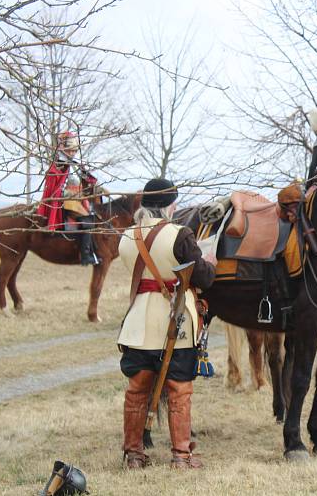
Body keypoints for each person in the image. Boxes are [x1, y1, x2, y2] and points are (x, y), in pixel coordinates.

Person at [117, 178, 216, 469]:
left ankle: (134, 455)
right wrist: (208, 261)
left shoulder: (127, 236)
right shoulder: (180, 234)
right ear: (170, 205)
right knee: (179, 390)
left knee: (136, 390)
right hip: (176, 323)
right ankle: (181, 456)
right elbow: (204, 278)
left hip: (138, 322)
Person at [36, 131, 100, 266]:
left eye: (73, 150)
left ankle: (93, 251)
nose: (72, 153)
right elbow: (56, 185)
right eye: (69, 150)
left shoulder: (75, 164)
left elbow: (86, 180)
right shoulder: (58, 165)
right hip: (66, 201)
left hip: (79, 199)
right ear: (63, 149)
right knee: (86, 220)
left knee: (96, 215)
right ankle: (85, 255)